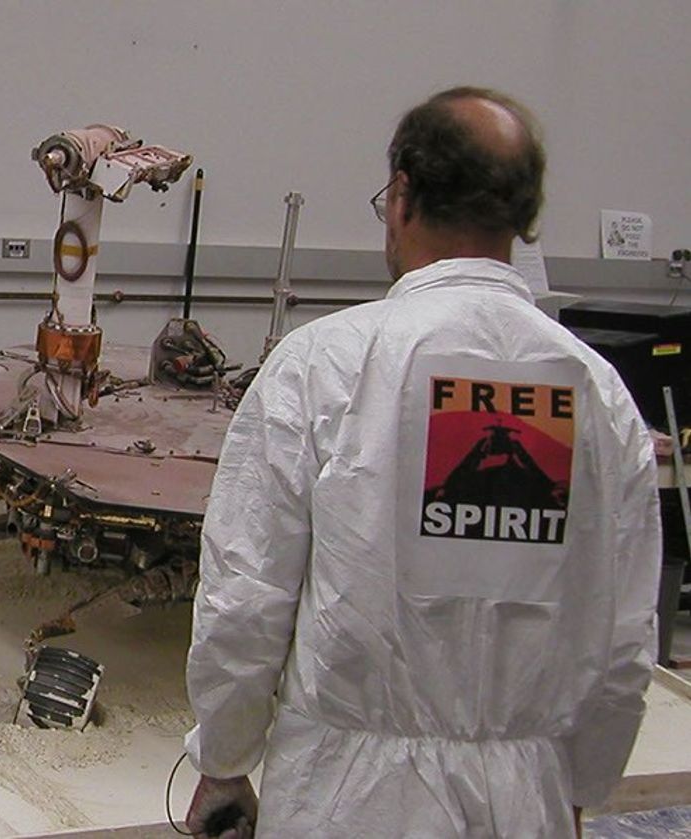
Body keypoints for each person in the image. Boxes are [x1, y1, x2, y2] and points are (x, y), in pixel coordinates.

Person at [182, 87, 661, 837]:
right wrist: (578, 784)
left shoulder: (326, 364)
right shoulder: (598, 396)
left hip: (348, 799)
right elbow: (624, 639)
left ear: (402, 195)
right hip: (524, 797)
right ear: (524, 215)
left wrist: (224, 754)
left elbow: (245, 595)